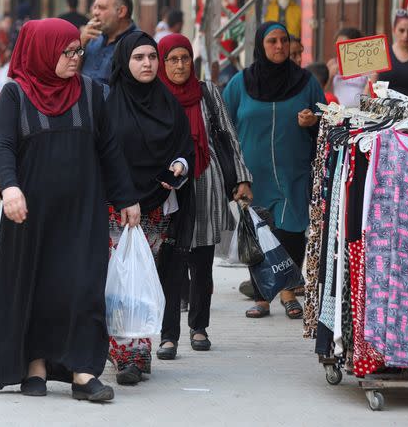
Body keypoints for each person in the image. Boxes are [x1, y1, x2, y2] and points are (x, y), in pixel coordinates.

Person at [0, 18, 140, 401]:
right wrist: (10, 188)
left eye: (78, 51)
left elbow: (108, 148)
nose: (76, 58)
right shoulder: (15, 94)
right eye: (67, 52)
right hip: (31, 213)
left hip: (83, 211)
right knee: (39, 288)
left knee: (84, 286)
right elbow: (4, 145)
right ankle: (35, 365)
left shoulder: (91, 92)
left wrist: (126, 197)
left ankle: (84, 372)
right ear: (42, 52)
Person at [106, 31, 194, 384]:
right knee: (119, 279)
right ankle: (123, 353)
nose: (147, 63)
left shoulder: (167, 103)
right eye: (139, 57)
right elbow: (106, 157)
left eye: (151, 57)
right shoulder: (109, 104)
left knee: (144, 278)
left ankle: (140, 352)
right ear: (125, 63)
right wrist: (125, 198)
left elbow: (184, 146)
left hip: (156, 207)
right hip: (116, 207)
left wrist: (179, 166)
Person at [157, 33, 252, 358]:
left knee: (201, 264)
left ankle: (199, 327)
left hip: (207, 185)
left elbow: (228, 135)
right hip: (169, 190)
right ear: (163, 62)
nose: (180, 65)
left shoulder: (208, 92)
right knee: (170, 263)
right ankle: (168, 335)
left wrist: (241, 177)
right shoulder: (154, 95)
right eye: (173, 59)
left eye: (185, 59)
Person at [223, 22, 325, 318]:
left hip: (293, 171)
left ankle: (289, 291)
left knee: (291, 230)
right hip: (253, 175)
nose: (279, 46)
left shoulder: (306, 82)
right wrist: (234, 173)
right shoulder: (240, 83)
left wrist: (313, 122)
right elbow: (225, 127)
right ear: (260, 45)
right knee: (257, 233)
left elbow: (327, 120)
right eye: (272, 41)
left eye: (284, 40)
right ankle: (262, 296)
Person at [80, 0, 137, 88]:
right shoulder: (91, 37)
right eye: (95, 7)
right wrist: (81, 44)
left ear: (121, 11)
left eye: (101, 8)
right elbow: (71, 76)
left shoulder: (138, 43)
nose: (95, 13)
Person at [326, 27, 367, 108]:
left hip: (359, 113)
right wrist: (330, 76)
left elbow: (372, 93)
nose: (340, 49)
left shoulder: (366, 64)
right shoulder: (332, 63)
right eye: (338, 45)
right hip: (337, 111)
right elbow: (324, 91)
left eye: (344, 46)